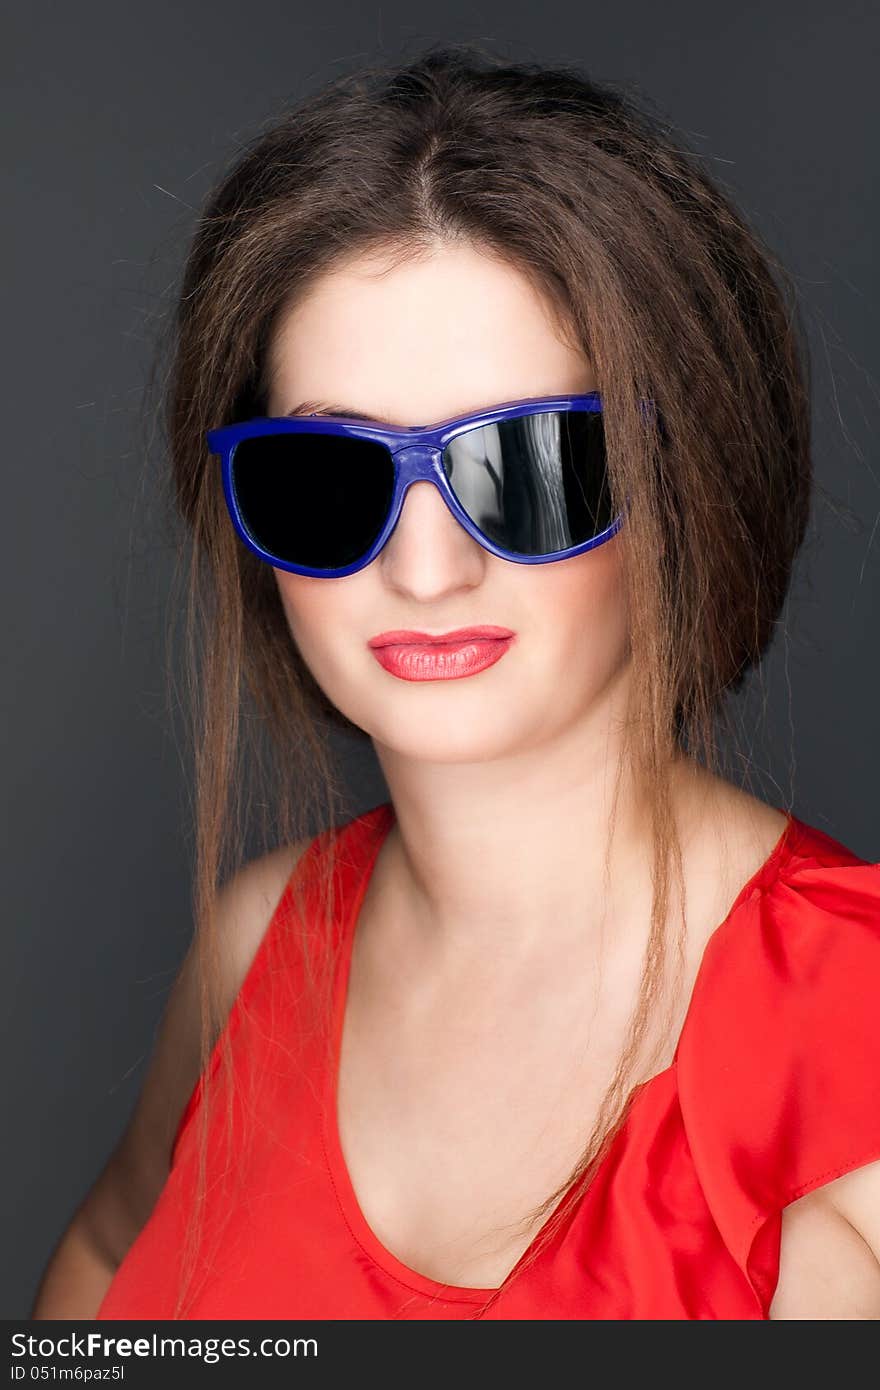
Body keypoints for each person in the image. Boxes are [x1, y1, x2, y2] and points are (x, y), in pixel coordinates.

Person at [32, 43, 880, 1321]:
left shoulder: (849, 1025)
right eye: (326, 478)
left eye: (532, 468)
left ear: (692, 480)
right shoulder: (256, 947)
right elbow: (104, 1260)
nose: (425, 570)